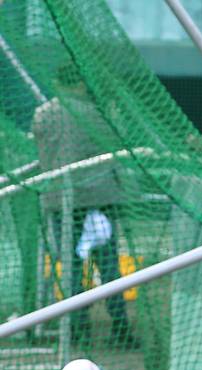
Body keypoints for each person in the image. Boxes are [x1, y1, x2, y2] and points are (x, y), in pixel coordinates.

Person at [31, 64, 136, 346]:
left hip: (61, 202)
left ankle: (77, 330)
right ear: (78, 82)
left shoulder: (44, 114)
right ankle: (120, 328)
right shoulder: (99, 111)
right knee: (109, 267)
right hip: (100, 201)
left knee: (71, 268)